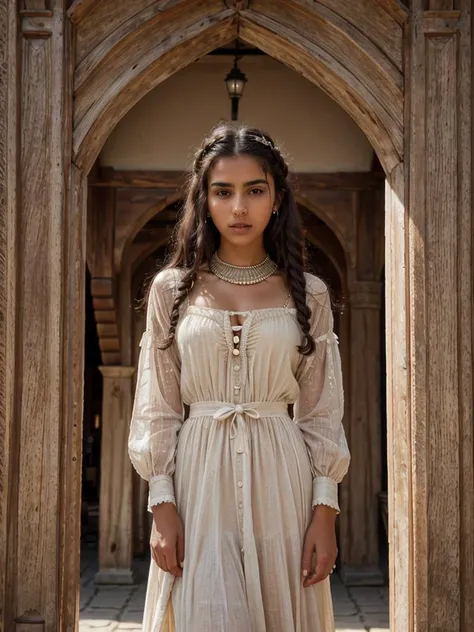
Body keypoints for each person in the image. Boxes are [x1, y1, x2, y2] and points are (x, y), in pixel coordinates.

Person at [128, 123, 350, 632]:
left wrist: (325, 509)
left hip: (283, 480)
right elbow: (157, 403)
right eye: (223, 192)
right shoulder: (172, 290)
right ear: (204, 200)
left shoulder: (308, 294)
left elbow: (320, 412)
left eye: (255, 190)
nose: (239, 207)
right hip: (197, 481)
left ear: (277, 198)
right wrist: (161, 502)